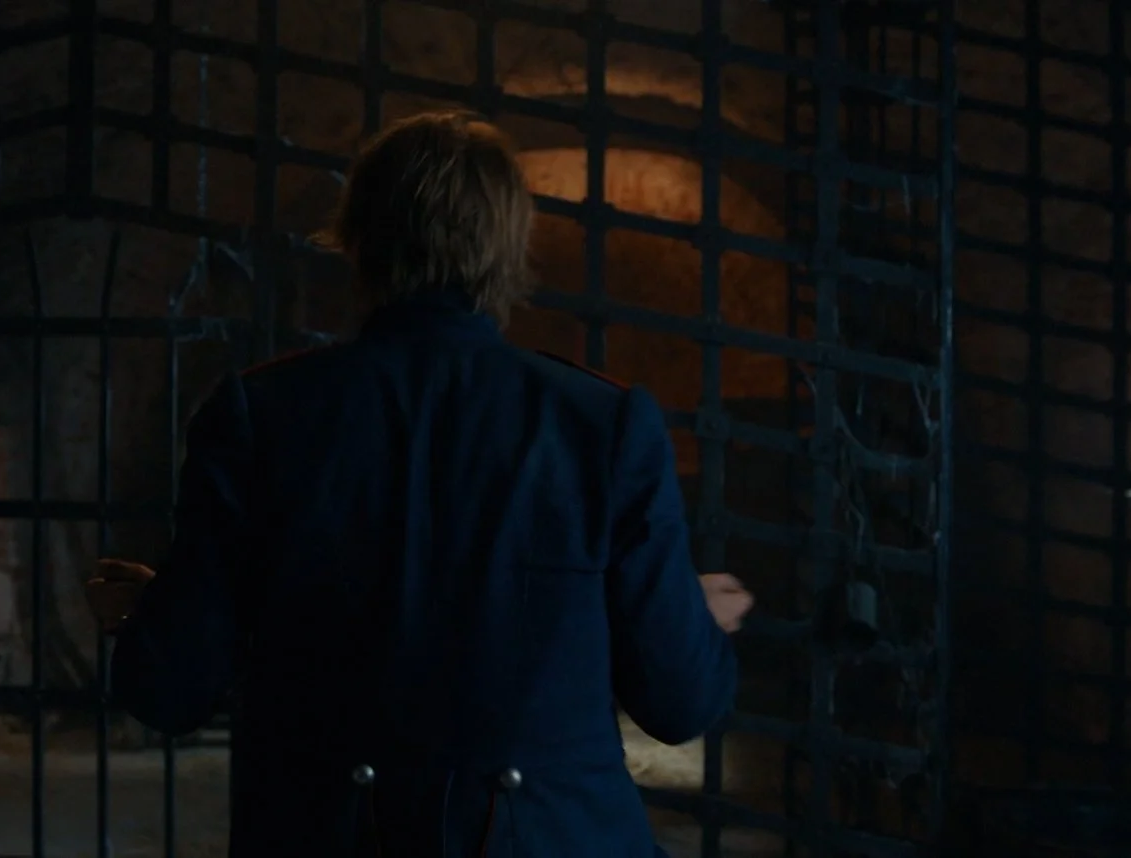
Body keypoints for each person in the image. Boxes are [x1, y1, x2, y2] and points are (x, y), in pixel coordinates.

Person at [85, 110, 754, 857]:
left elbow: (171, 688)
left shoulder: (261, 415)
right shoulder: (602, 425)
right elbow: (680, 701)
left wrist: (148, 616)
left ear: (357, 239)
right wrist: (681, 613)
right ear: (509, 247)